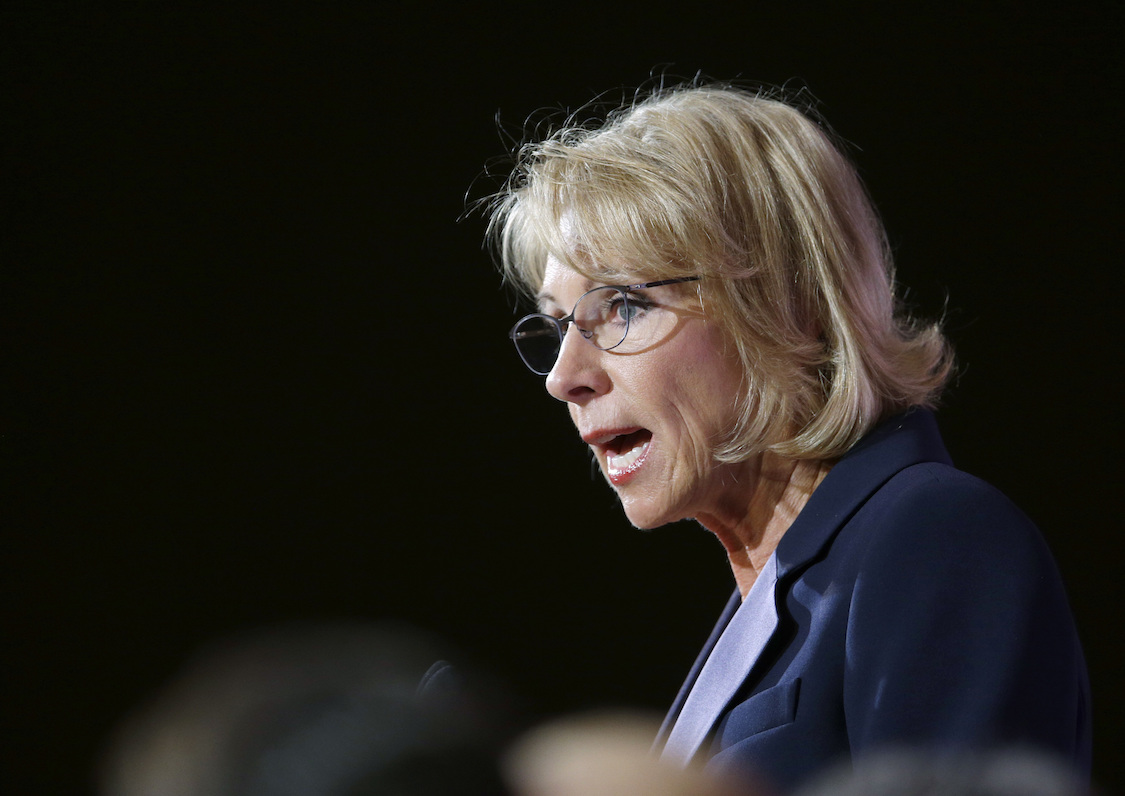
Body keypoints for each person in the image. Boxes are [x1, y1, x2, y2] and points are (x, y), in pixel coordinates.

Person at [482, 83, 1090, 792]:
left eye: (621, 305)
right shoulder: (770, 587)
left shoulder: (933, 533)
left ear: (783, 303)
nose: (564, 377)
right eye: (557, 326)